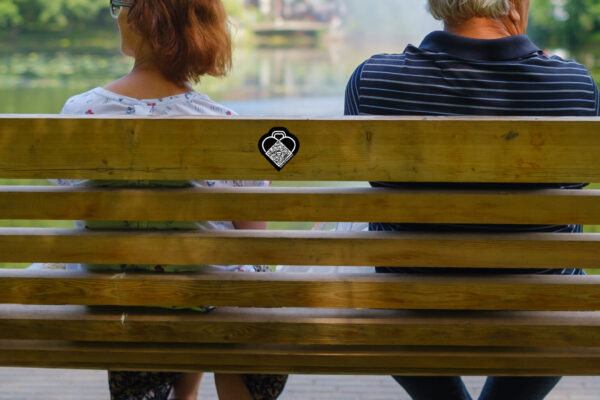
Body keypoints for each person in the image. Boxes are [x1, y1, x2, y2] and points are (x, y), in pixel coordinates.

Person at [344, 0, 599, 399]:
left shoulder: (373, 80)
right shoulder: (574, 86)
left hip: (412, 305)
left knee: (354, 231)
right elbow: (575, 187)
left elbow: (371, 178)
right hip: (539, 306)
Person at [57, 0, 288, 399]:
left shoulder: (80, 113)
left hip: (114, 297)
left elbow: (70, 201)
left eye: (120, 5)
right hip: (202, 298)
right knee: (232, 270)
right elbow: (254, 238)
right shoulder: (225, 124)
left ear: (138, 19)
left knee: (157, 263)